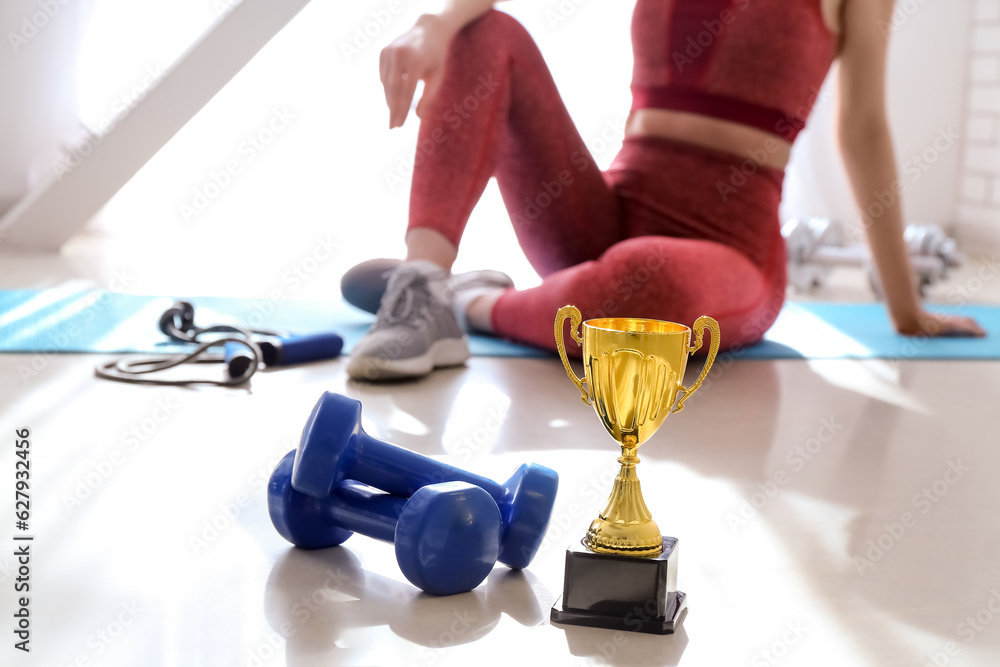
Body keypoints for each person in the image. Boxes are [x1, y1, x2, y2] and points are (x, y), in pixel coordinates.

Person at [344, 0, 984, 381]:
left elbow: (864, 129)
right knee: (485, 32)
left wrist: (906, 311)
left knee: (651, 282)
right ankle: (423, 285)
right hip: (600, 222)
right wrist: (433, 23)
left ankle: (471, 303)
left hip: (730, 255)